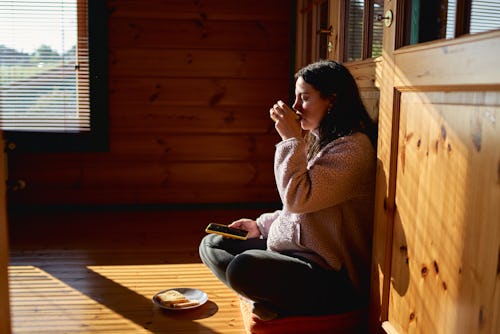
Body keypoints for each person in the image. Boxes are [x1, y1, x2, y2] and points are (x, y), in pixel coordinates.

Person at [199, 59, 377, 320]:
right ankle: (272, 297)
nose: (295, 107)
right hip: (291, 250)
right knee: (213, 243)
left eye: (304, 98)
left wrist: (291, 140)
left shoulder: (353, 150)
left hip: (327, 274)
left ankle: (276, 298)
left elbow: (298, 200)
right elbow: (298, 213)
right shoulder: (321, 139)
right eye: (295, 97)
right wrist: (260, 225)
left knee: (242, 269)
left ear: (332, 100)